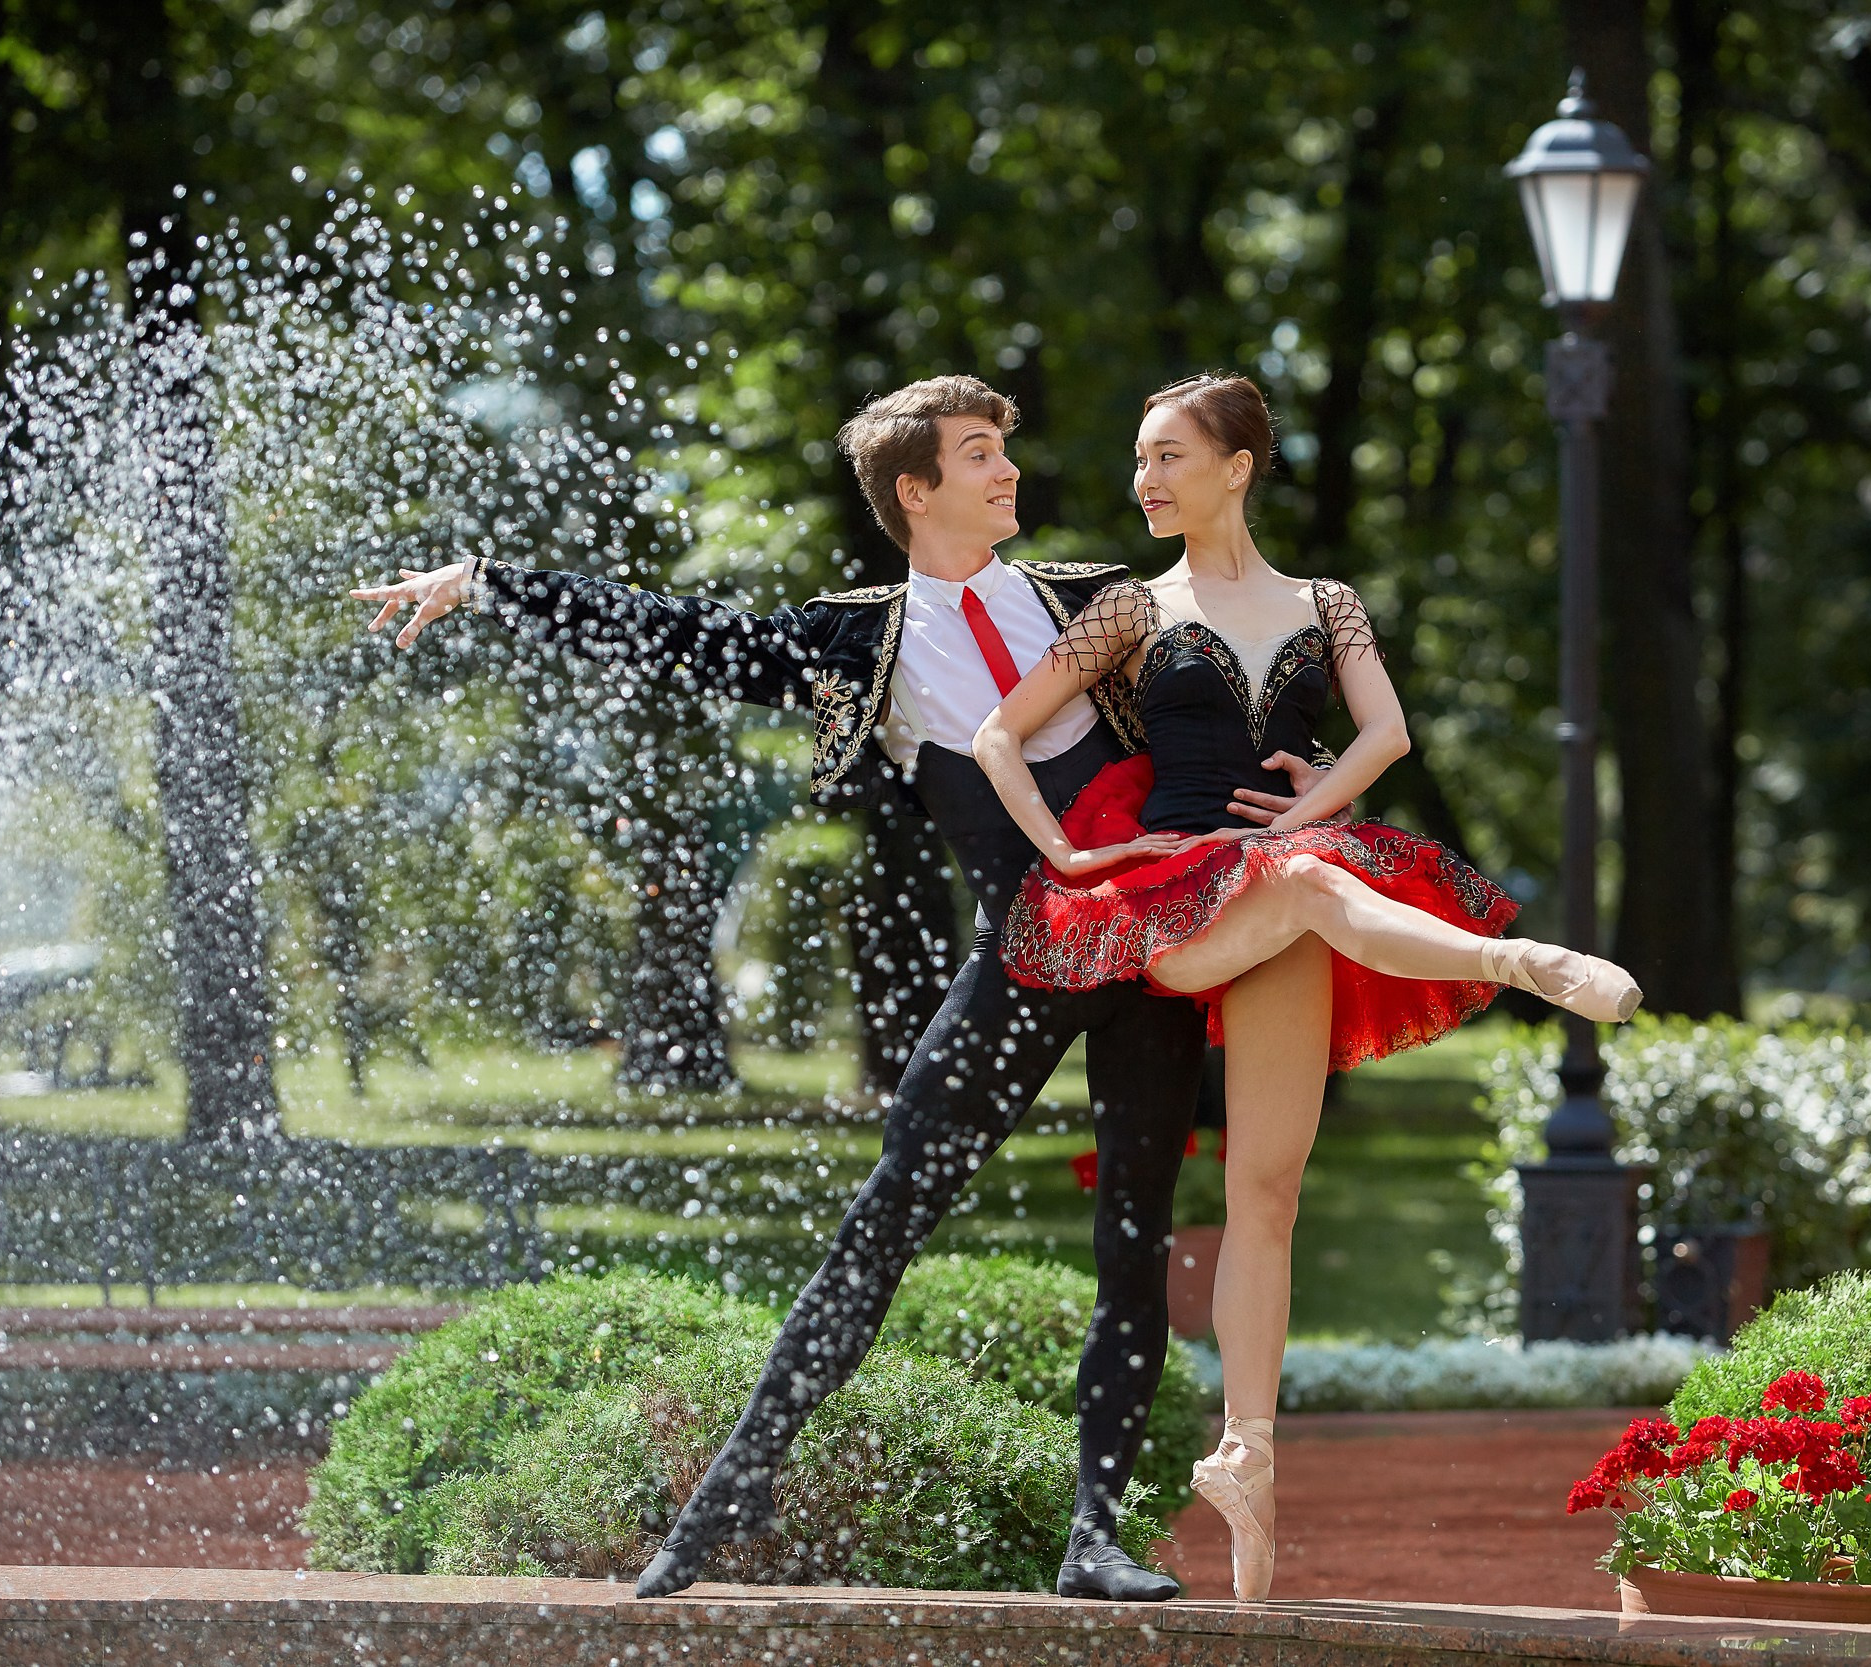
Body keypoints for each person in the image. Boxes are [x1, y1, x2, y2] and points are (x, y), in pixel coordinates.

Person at [350, 375, 1311, 1601]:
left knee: (1133, 1248)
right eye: (979, 456)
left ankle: (1094, 1531)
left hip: (1155, 960)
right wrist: (489, 584)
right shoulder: (861, 641)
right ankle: (732, 1486)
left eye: (1001, 451)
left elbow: (1222, 693)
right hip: (1026, 955)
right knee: (881, 1224)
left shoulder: (1093, 599)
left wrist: (1302, 765)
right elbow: (676, 633)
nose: (1008, 472)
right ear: (916, 492)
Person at [971, 372, 1640, 1601]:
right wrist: (1067, 851)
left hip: (1280, 885)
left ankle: (1249, 1453)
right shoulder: (1126, 607)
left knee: (1268, 1189)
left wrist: (1311, 805)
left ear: (1238, 465)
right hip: (1171, 900)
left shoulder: (1327, 602)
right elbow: (997, 736)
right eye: (1139, 458)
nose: (1146, 479)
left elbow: (1386, 736)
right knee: (1321, 890)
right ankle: (1522, 961)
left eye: (1168, 454)